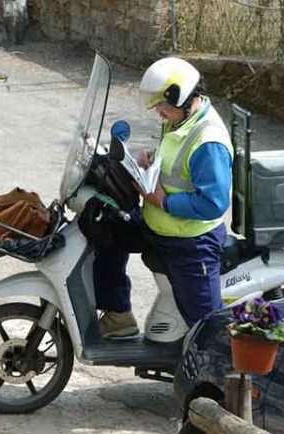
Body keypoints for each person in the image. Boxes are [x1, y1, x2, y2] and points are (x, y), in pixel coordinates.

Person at [94, 57, 234, 338]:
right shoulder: (181, 120)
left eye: (162, 106)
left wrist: (161, 201)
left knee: (207, 328)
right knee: (105, 231)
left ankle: (219, 378)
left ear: (180, 97)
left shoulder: (209, 142)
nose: (159, 113)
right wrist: (151, 160)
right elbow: (178, 168)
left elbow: (213, 203)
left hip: (191, 244)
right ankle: (118, 315)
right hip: (158, 225)